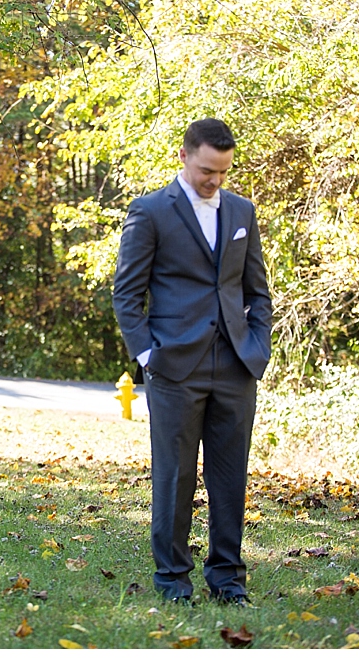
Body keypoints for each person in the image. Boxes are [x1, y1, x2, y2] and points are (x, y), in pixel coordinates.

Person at [112, 119, 272, 606]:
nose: (214, 180)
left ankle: (227, 580)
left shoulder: (242, 210)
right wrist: (148, 356)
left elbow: (257, 292)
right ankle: (173, 580)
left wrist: (256, 347)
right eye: (207, 170)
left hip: (235, 368)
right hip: (173, 367)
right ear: (184, 156)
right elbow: (126, 293)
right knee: (175, 476)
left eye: (222, 171)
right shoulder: (150, 212)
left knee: (230, 478)